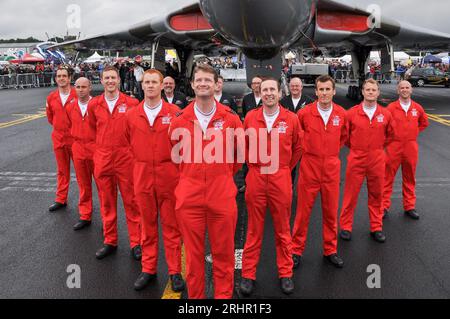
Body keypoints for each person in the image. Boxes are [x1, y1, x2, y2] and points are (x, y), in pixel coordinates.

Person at [169, 64, 243, 299]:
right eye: (198, 80)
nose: (203, 84)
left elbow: (238, 157)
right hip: (189, 196)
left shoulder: (231, 119)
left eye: (207, 80)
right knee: (193, 257)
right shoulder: (179, 120)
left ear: (216, 84)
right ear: (192, 84)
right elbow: (176, 155)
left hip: (221, 194)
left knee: (224, 256)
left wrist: (218, 176)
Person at [240, 77, 303, 296]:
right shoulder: (250, 117)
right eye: (265, 89)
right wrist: (256, 167)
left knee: (283, 230)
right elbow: (244, 147)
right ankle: (248, 275)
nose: (268, 93)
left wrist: (283, 168)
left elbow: (298, 148)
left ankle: (285, 273)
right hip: (256, 178)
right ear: (260, 91)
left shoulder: (291, 119)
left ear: (279, 93)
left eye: (272, 90)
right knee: (253, 230)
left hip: (280, 177)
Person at [125, 69, 185, 292]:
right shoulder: (131, 115)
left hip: (169, 176)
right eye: (146, 82)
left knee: (172, 227)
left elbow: (183, 145)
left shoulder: (176, 113)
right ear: (142, 86)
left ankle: (174, 271)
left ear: (162, 86)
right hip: (142, 176)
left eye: (154, 82)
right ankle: (148, 268)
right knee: (147, 226)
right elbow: (127, 142)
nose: (150, 86)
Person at [291, 75, 347, 270]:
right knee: (302, 214)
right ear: (315, 92)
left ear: (334, 91)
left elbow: (343, 137)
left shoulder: (341, 114)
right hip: (309, 168)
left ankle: (330, 250)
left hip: (331, 169)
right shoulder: (304, 114)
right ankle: (296, 251)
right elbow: (298, 138)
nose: (324, 93)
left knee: (331, 213)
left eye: (327, 89)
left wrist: (329, 154)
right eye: (320, 90)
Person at [88, 66, 142, 260]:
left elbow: (137, 131)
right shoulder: (94, 104)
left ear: (119, 80)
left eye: (113, 78)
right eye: (106, 78)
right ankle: (110, 240)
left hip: (125, 158)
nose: (110, 81)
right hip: (103, 158)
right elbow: (93, 129)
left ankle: (137, 242)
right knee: (106, 201)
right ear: (101, 81)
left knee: (132, 201)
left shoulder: (132, 103)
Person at [339, 79, 395, 243]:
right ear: (362, 92)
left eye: (373, 90)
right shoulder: (351, 113)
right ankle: (346, 227)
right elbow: (345, 137)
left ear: (378, 92)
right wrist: (358, 148)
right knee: (350, 195)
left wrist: (377, 148)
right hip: (356, 158)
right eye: (368, 90)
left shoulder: (386, 114)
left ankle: (376, 227)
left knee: (377, 195)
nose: (371, 92)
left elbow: (390, 136)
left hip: (377, 158)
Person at [382, 80, 429, 220]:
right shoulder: (391, 108)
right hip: (393, 147)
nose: (404, 90)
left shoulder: (417, 108)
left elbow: (424, 123)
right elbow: (384, 126)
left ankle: (409, 206)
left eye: (407, 87)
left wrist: (413, 133)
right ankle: (383, 206)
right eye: (402, 87)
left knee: (409, 177)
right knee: (387, 177)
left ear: (411, 90)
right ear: (398, 90)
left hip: (410, 147)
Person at [66, 77, 98, 231]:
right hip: (78, 148)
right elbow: (69, 125)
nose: (80, 90)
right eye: (77, 87)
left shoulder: (98, 105)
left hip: (96, 149)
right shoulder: (70, 107)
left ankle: (107, 219)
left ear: (90, 87)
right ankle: (85, 215)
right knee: (83, 184)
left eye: (84, 87)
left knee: (103, 187)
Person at [46, 66, 77, 212]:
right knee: (62, 171)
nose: (61, 78)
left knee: (82, 174)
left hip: (75, 139)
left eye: (64, 76)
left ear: (70, 78)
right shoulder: (51, 97)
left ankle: (85, 206)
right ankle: (61, 199)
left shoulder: (78, 94)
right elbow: (51, 118)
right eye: (59, 76)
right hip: (58, 138)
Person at [280, 76, 315, 184]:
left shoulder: (310, 102)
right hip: (289, 141)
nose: (295, 88)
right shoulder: (282, 102)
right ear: (289, 87)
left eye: (297, 86)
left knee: (306, 168)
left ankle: (305, 189)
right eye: (292, 86)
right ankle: (287, 187)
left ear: (301, 87)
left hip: (305, 141)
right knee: (290, 167)